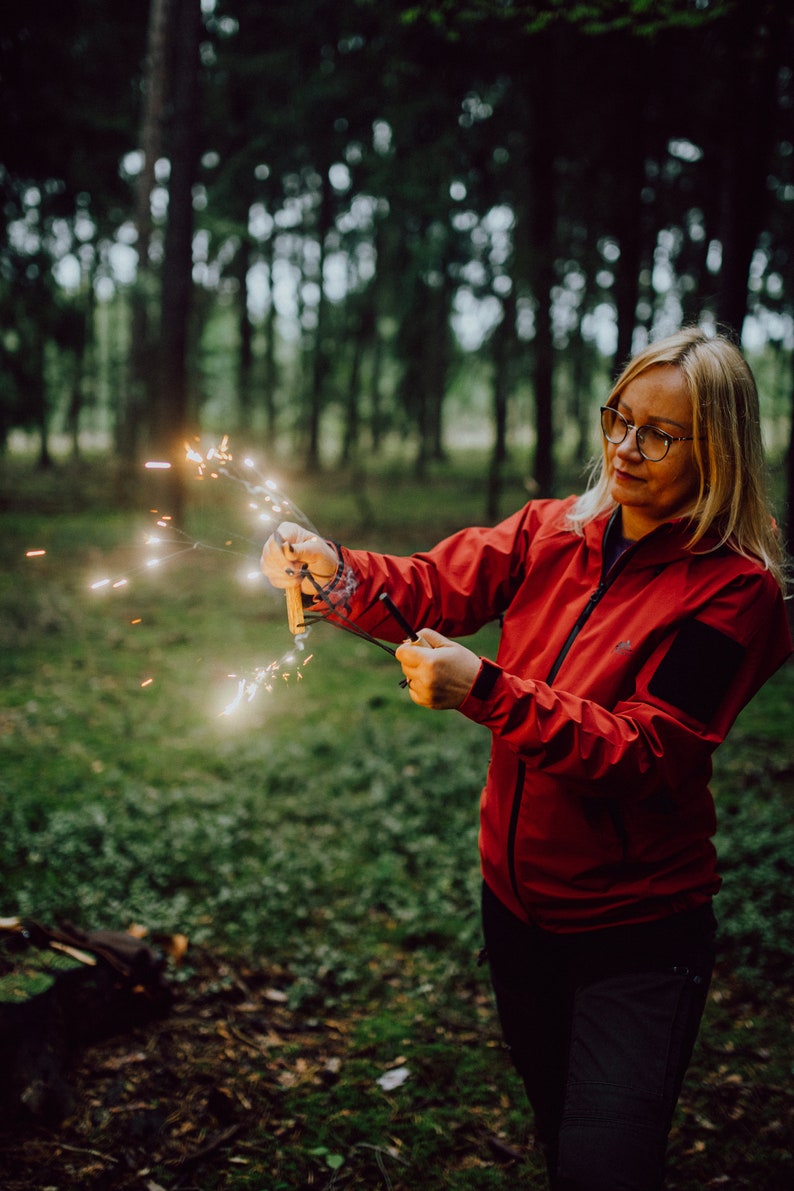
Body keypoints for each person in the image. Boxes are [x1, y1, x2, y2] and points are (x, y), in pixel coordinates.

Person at [260, 326, 792, 1190]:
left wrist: (485, 690)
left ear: (719, 449)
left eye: (658, 433)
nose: (624, 446)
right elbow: (434, 586)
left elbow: (644, 752)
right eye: (618, 417)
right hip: (516, 912)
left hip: (637, 935)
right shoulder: (555, 530)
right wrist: (332, 572)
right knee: (559, 1130)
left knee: (605, 1166)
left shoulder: (736, 591)